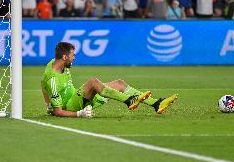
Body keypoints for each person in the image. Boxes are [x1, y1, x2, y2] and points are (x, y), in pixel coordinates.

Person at [41, 42, 178, 118]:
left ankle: (156, 104)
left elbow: (42, 83)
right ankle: (129, 101)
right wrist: (79, 114)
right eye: (72, 56)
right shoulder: (53, 80)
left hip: (79, 97)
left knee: (119, 83)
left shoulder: (53, 63)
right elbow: (58, 112)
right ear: (64, 57)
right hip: (72, 107)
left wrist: (47, 102)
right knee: (93, 82)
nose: (74, 58)